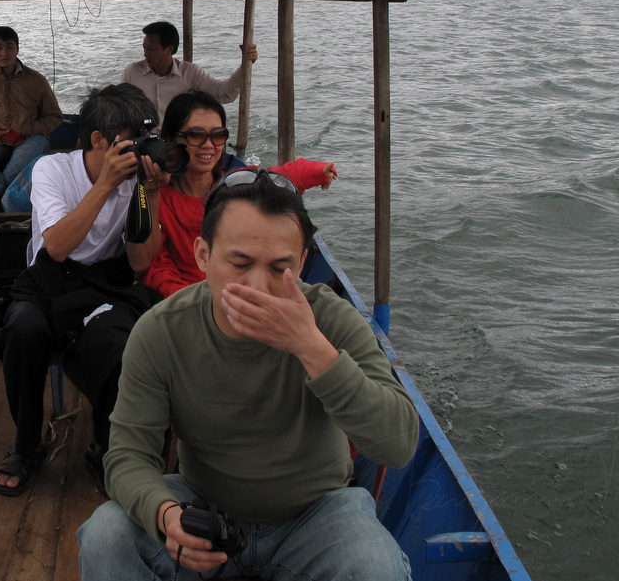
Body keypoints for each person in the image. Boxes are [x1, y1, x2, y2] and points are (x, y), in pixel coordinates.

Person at [76, 170, 419, 581]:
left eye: (280, 268)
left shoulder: (330, 320)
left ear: (303, 262)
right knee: (106, 536)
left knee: (376, 568)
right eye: (239, 263)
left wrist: (312, 348)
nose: (257, 286)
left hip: (317, 516)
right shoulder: (163, 331)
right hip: (205, 510)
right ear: (203, 255)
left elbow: (399, 445)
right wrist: (166, 514)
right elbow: (128, 455)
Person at [0, 83, 160, 497]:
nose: (138, 148)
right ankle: (26, 445)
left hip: (105, 283)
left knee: (121, 344)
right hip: (51, 279)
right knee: (22, 328)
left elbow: (140, 262)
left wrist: (151, 193)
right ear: (99, 140)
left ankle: (107, 450)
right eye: (131, 139)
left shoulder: (136, 180)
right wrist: (105, 185)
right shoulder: (52, 170)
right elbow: (57, 246)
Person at [129, 91, 337, 298]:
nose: (208, 144)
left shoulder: (234, 184)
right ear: (172, 139)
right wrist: (199, 303)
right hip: (189, 301)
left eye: (218, 135)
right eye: (196, 135)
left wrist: (317, 171)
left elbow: (278, 176)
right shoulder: (158, 198)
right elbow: (155, 267)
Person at [0, 25, 63, 212]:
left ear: (17, 49)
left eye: (9, 47)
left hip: (32, 137)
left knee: (16, 165)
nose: (4, 53)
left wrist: (26, 130)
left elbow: (54, 117)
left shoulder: (36, 80)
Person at [119, 20, 257, 121]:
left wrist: (245, 65)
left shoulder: (190, 74)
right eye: (144, 48)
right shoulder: (132, 72)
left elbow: (224, 93)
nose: (146, 54)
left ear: (169, 49)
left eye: (151, 49)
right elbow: (119, 108)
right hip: (142, 142)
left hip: (177, 142)